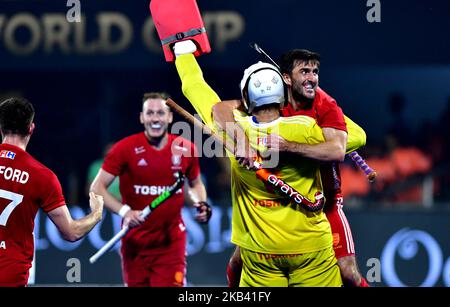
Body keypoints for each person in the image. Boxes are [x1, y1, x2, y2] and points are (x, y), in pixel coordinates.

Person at [172, 41, 365, 286]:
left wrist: (183, 52)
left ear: (245, 97)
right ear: (284, 93)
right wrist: (319, 100)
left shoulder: (232, 131)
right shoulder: (309, 130)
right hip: (312, 251)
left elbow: (194, 87)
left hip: (260, 257)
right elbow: (357, 135)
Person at [90, 92, 212, 287]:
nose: (155, 118)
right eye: (150, 113)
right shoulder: (124, 149)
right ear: (142, 117)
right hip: (134, 244)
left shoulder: (186, 148)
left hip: (171, 245)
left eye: (160, 113)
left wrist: (200, 203)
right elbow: (97, 188)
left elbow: (195, 184)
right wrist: (125, 211)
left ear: (170, 117)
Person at [0, 97, 104, 287]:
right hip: (11, 275)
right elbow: (71, 232)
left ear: (1, 127)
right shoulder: (42, 176)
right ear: (31, 128)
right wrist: (96, 213)